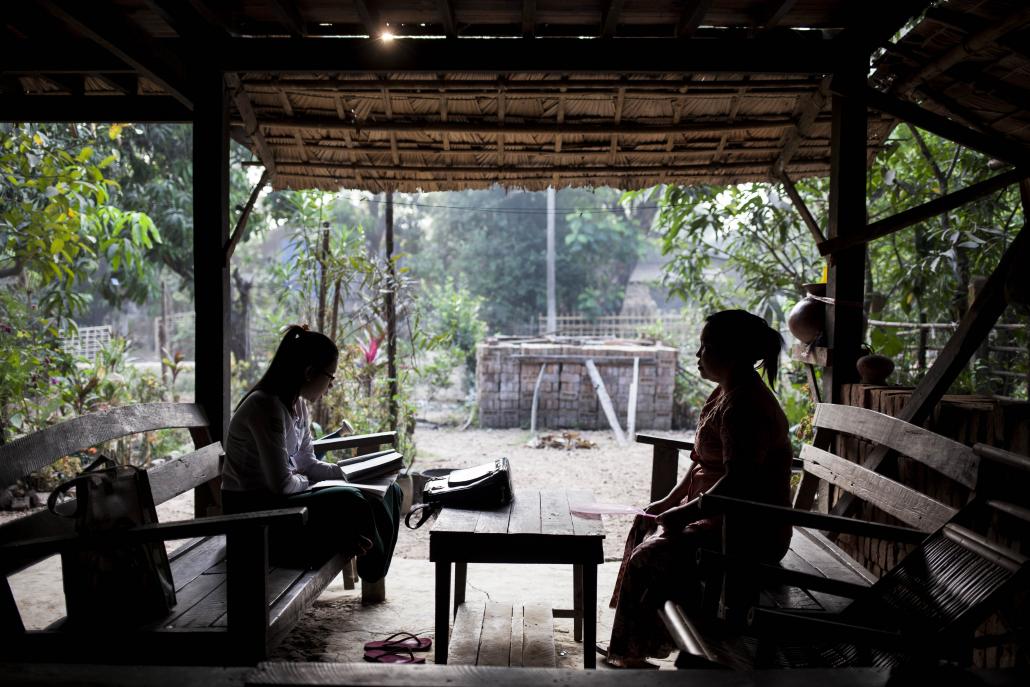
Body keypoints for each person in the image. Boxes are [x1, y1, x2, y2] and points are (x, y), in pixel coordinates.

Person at [602, 309, 793, 668]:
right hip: (720, 517)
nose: (697, 355)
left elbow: (741, 481)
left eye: (704, 346)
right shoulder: (724, 393)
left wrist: (686, 513)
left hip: (748, 530)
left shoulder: (745, 407)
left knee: (651, 556)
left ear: (731, 354)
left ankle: (661, 642)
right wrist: (670, 501)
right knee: (645, 521)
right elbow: (702, 460)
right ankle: (637, 643)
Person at [221, 325, 401, 582]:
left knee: (389, 489)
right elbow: (282, 485)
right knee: (351, 499)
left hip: (282, 503)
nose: (329, 387)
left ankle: (368, 561)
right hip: (254, 515)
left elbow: (306, 462)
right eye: (330, 377)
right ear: (308, 373)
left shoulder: (298, 405)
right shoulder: (265, 406)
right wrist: (309, 480)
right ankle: (363, 559)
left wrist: (350, 473)